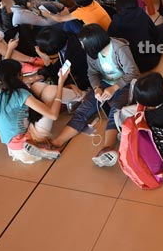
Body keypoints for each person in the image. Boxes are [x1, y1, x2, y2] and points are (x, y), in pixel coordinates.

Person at [50, 24, 139, 167]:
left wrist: (114, 88)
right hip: (104, 83)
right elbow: (92, 73)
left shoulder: (119, 48)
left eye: (82, 43)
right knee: (85, 108)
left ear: (92, 43)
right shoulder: (93, 52)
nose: (81, 45)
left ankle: (107, 149)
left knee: (116, 111)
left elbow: (133, 72)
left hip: (125, 84)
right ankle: (56, 143)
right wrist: (97, 88)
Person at [0, 59, 67, 164]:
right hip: (24, 147)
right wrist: (61, 83)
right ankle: (38, 145)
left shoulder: (2, 92)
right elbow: (53, 116)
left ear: (0, 80)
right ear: (20, 74)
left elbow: (6, 73)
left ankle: (37, 146)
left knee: (37, 87)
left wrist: (35, 78)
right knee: (48, 108)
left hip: (13, 147)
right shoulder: (20, 94)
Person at [108, 0, 163, 73]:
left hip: (130, 67)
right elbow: (154, 32)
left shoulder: (115, 21)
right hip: (152, 61)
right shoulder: (140, 12)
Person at [41, 0, 111, 30]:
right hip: (109, 28)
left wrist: (48, 15)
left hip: (100, 34)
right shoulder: (94, 2)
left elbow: (60, 19)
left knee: (69, 22)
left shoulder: (81, 12)